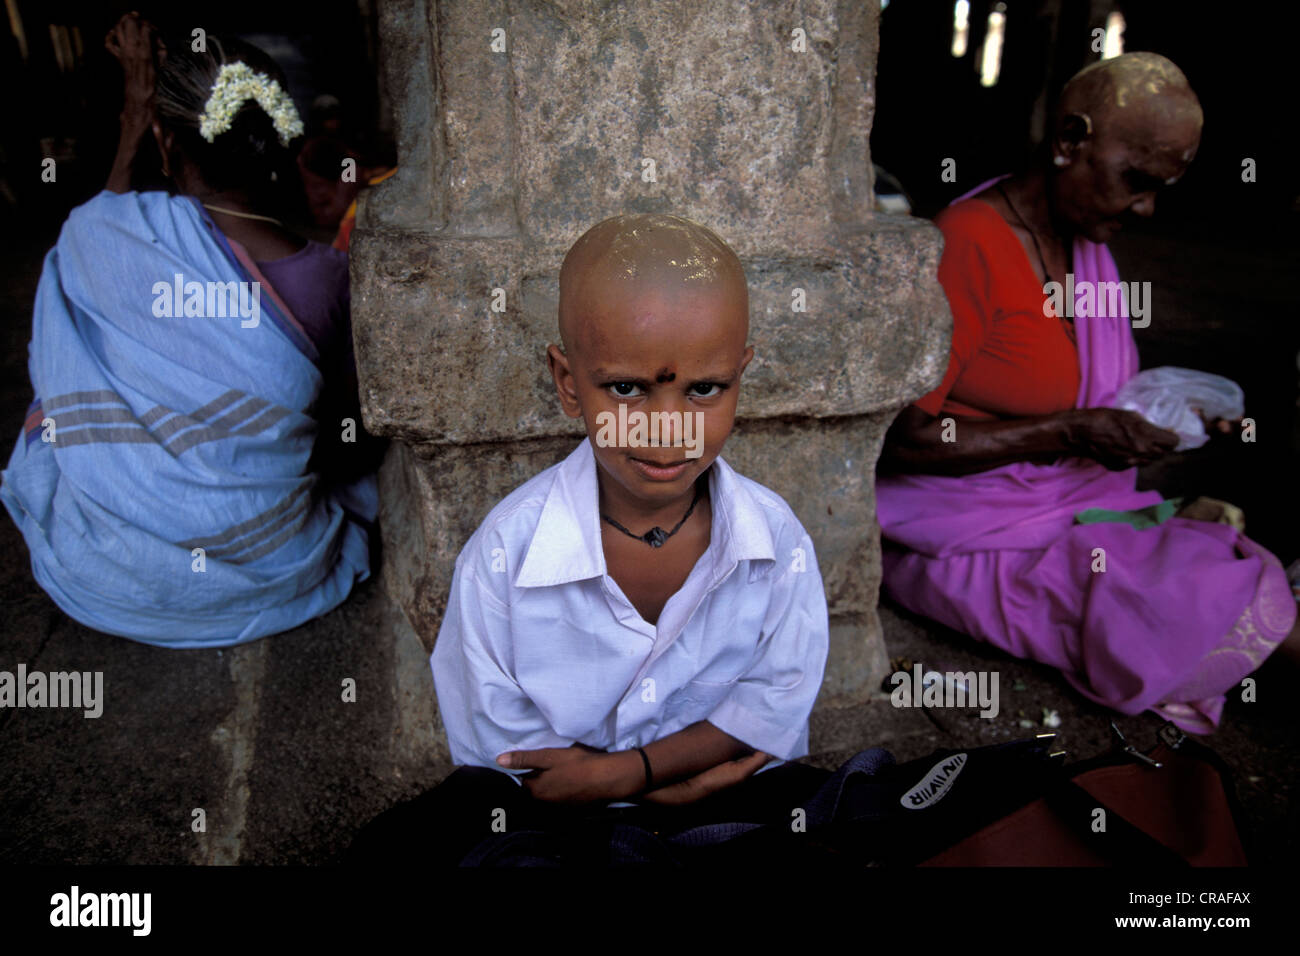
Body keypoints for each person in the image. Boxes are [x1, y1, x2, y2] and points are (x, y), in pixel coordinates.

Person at [349, 213, 830, 865]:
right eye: (627, 389)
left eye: (705, 389)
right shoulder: (505, 557)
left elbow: (776, 701)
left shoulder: (776, 542)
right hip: (557, 824)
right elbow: (510, 759)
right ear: (568, 383)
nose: (668, 429)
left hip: (732, 803)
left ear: (741, 374)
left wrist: (632, 772)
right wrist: (628, 782)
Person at [877, 53, 1297, 734]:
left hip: (1065, 505)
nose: (1146, 207)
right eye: (1136, 180)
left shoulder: (1084, 246)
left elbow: (1086, 387)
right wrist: (1073, 433)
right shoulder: (970, 243)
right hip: (955, 537)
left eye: (1160, 188)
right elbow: (904, 439)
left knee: (1207, 554)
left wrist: (1162, 414)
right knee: (1168, 586)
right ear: (1070, 141)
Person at [0, 14, 378, 647]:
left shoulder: (109, 238)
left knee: (68, 364)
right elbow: (342, 440)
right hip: (273, 569)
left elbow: (94, 228)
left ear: (167, 145)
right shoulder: (330, 278)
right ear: (279, 139)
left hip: (107, 580)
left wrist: (135, 115)